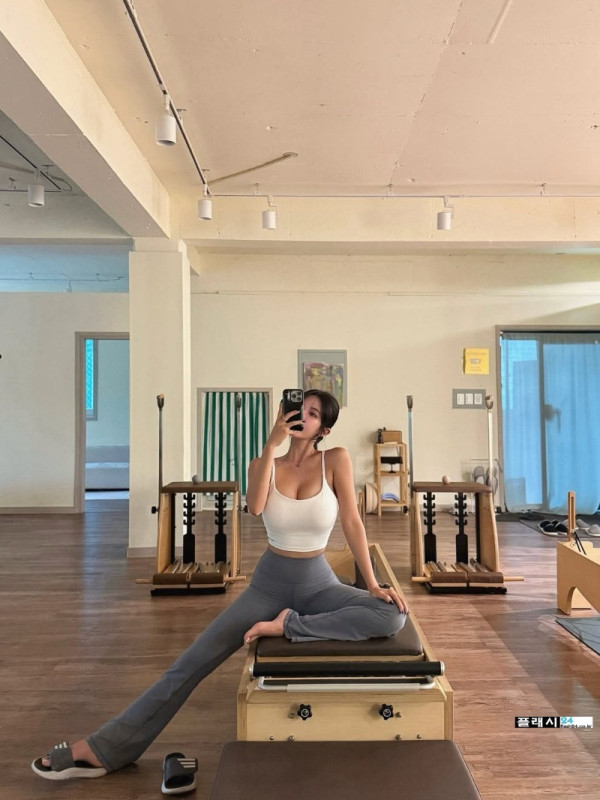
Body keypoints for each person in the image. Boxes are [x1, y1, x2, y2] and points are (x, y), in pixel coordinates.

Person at [32, 389, 408, 781]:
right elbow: (256, 507)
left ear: (323, 430)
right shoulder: (262, 463)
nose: (302, 416)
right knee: (189, 663)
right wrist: (271, 445)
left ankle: (288, 625)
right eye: (299, 408)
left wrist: (372, 584)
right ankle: (103, 748)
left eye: (312, 414)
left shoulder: (336, 459)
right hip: (268, 586)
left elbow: (352, 522)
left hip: (319, 584)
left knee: (390, 616)